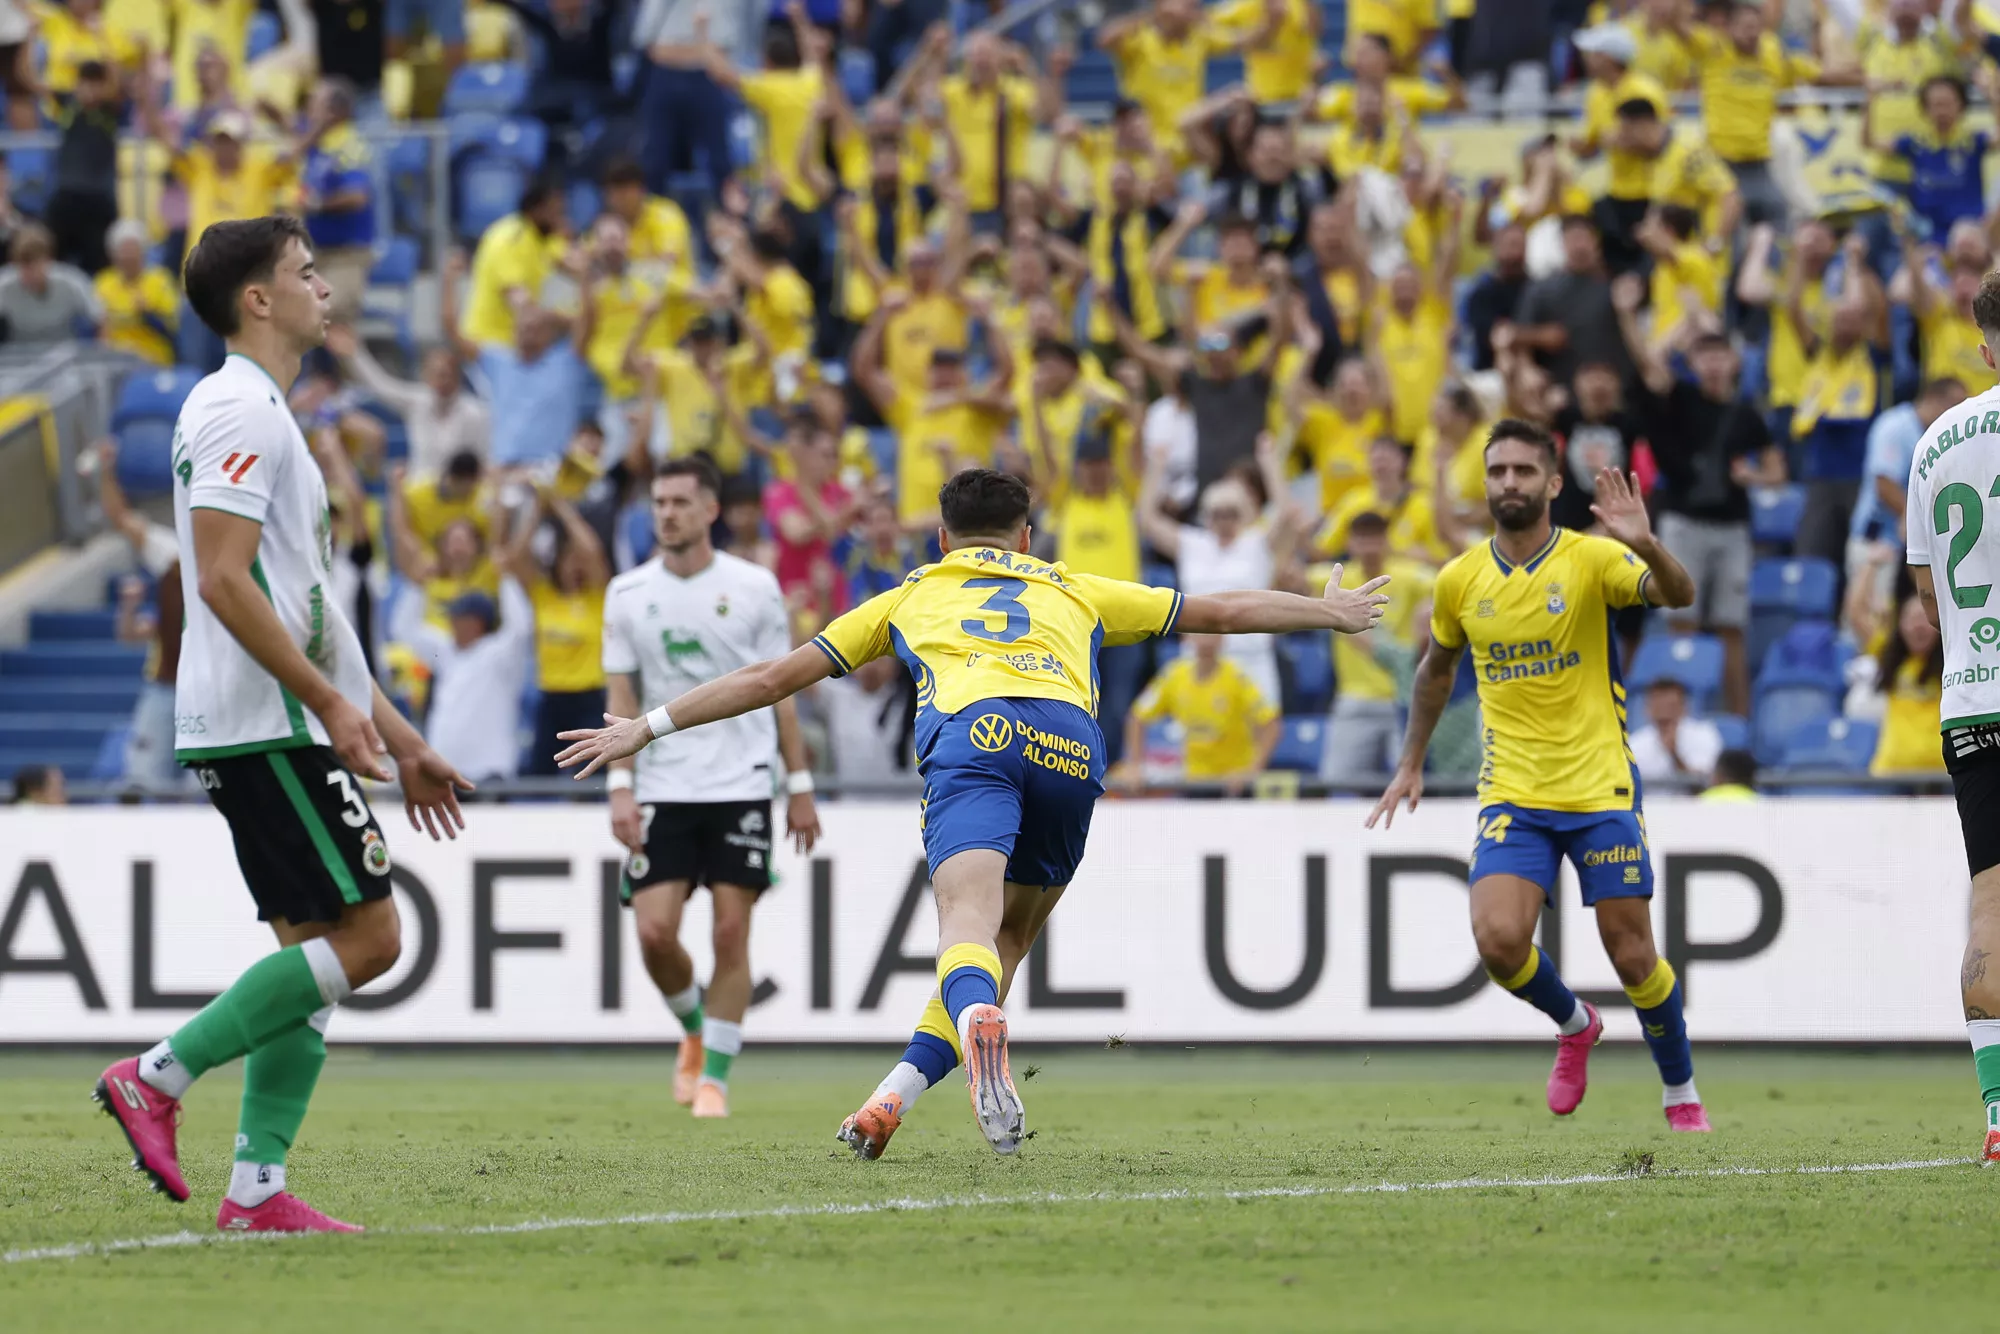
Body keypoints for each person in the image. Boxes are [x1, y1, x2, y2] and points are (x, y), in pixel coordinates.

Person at [556, 468, 1389, 1158]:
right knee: (1004, 945)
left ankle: (972, 1026)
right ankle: (888, 1103)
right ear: (1027, 536)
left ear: (943, 538)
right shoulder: (1075, 586)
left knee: (966, 923)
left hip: (977, 733)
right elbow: (1220, 610)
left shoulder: (909, 596)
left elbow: (771, 680)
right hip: (1069, 741)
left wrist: (647, 725)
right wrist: (1328, 612)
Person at [92, 215, 471, 1236]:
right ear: (256, 299)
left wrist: (394, 728)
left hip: (275, 713)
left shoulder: (263, 411)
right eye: (305, 272)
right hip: (266, 720)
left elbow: (313, 608)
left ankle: (255, 1188)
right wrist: (335, 705)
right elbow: (217, 579)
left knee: (311, 948)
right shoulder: (235, 409)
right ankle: (155, 1075)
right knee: (373, 936)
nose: (325, 287)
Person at [1368, 418, 1708, 1134]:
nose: (1510, 484)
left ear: (1554, 484)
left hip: (1599, 785)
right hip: (1513, 792)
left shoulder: (1590, 560)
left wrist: (1643, 542)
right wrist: (1410, 762)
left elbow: (1679, 596)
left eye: (1524, 471)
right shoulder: (1460, 580)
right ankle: (1575, 1024)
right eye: (1498, 472)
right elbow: (1436, 672)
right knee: (1497, 942)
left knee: (1633, 954)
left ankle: (1681, 1092)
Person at [598, 458, 822, 1119]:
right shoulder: (627, 592)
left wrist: (800, 783)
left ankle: (715, 1079)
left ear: (710, 511)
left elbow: (779, 690)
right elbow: (621, 694)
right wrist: (619, 784)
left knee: (730, 932)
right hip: (663, 782)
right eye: (658, 502)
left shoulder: (755, 587)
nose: (665, 512)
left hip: (742, 780)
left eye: (678, 502)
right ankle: (695, 1027)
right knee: (654, 936)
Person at [1902, 273, 2000, 1163]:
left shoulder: (1933, 444)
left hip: (1974, 705)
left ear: (1984, 345)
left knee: (1991, 912)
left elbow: (1928, 600)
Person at [1614, 273, 1784, 718]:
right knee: (1680, 625)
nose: (1711, 363)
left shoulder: (1747, 413)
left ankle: (1737, 727)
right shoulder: (1681, 398)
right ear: (1693, 360)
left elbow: (1776, 470)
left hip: (1731, 527)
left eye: (1719, 354)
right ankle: (1681, 722)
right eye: (1702, 355)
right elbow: (1650, 362)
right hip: (1684, 523)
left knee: (1732, 629)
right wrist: (1672, 320)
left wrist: (1754, 478)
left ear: (1733, 360)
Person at [495, 476, 614, 777]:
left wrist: (561, 507)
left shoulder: (598, 595)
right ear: (556, 562)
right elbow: (515, 558)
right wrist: (537, 507)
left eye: (580, 561)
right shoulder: (543, 595)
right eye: (568, 559)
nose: (576, 565)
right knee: (538, 777)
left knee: (594, 779)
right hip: (551, 697)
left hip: (591, 698)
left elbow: (593, 551)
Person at [1314, 509, 1434, 784]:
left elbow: (1447, 586)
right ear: (1349, 543)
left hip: (1402, 698)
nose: (1369, 546)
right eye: (1362, 538)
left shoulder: (1410, 576)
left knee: (1411, 783)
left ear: (1386, 540)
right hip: (1355, 699)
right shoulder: (1334, 579)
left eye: (1375, 538)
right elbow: (1286, 579)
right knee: (1332, 783)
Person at [1123, 632, 1278, 794]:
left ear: (1222, 638)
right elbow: (1137, 717)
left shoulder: (1237, 676)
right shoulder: (1175, 675)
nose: (1206, 640)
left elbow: (1271, 723)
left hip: (1232, 783)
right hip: (1194, 782)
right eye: (1200, 632)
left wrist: (1252, 769)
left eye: (1212, 633)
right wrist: (1135, 765)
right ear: (1187, 637)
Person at [326, 325, 490, 475]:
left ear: (457, 376)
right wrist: (355, 354)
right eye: (436, 374)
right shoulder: (418, 402)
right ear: (426, 375)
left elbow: (483, 461)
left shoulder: (475, 413)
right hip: (419, 494)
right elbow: (382, 387)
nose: (442, 381)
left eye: (446, 374)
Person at [297, 79, 374, 325]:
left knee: (331, 319)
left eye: (314, 106)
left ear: (334, 112)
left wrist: (318, 204)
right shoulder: (318, 143)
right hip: (315, 255)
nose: (308, 112)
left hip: (346, 256)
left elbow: (357, 196)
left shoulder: (349, 144)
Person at [46, 60, 120, 274]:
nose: (89, 89)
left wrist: (103, 41)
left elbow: (119, 87)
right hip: (65, 198)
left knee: (99, 268)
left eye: (96, 83)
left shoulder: (110, 109)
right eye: (85, 82)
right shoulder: (68, 103)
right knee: (53, 263)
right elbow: (30, 81)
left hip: (98, 202)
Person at [94, 219, 179, 364]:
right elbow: (98, 327)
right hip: (116, 359)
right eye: (123, 251)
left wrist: (149, 315)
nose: (128, 256)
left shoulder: (160, 280)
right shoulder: (103, 282)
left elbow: (174, 328)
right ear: (113, 255)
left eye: (133, 250)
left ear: (143, 251)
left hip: (153, 357)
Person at [1629, 677, 1723, 786]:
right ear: (1647, 709)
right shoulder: (1635, 742)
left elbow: (1707, 783)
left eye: (1670, 706)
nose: (1664, 713)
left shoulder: (1704, 734)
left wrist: (1674, 755)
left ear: (1684, 707)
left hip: (1693, 802)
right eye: (1658, 707)